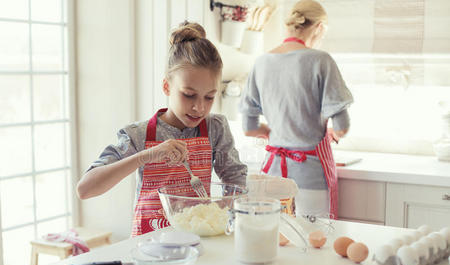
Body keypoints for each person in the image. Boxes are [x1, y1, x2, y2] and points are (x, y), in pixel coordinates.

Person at [77, 22, 247, 236]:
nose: (200, 107)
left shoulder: (215, 128)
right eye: (188, 94)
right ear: (167, 86)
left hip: (198, 244)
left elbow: (236, 181)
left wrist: (219, 215)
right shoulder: (137, 135)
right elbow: (85, 189)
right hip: (149, 248)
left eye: (210, 97)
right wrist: (146, 156)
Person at [239, 0, 353, 219]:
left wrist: (276, 132)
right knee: (314, 241)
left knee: (276, 241)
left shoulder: (262, 62)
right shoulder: (321, 60)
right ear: (319, 27)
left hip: (271, 176)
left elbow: (249, 127)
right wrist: (333, 134)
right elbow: (342, 126)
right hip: (310, 175)